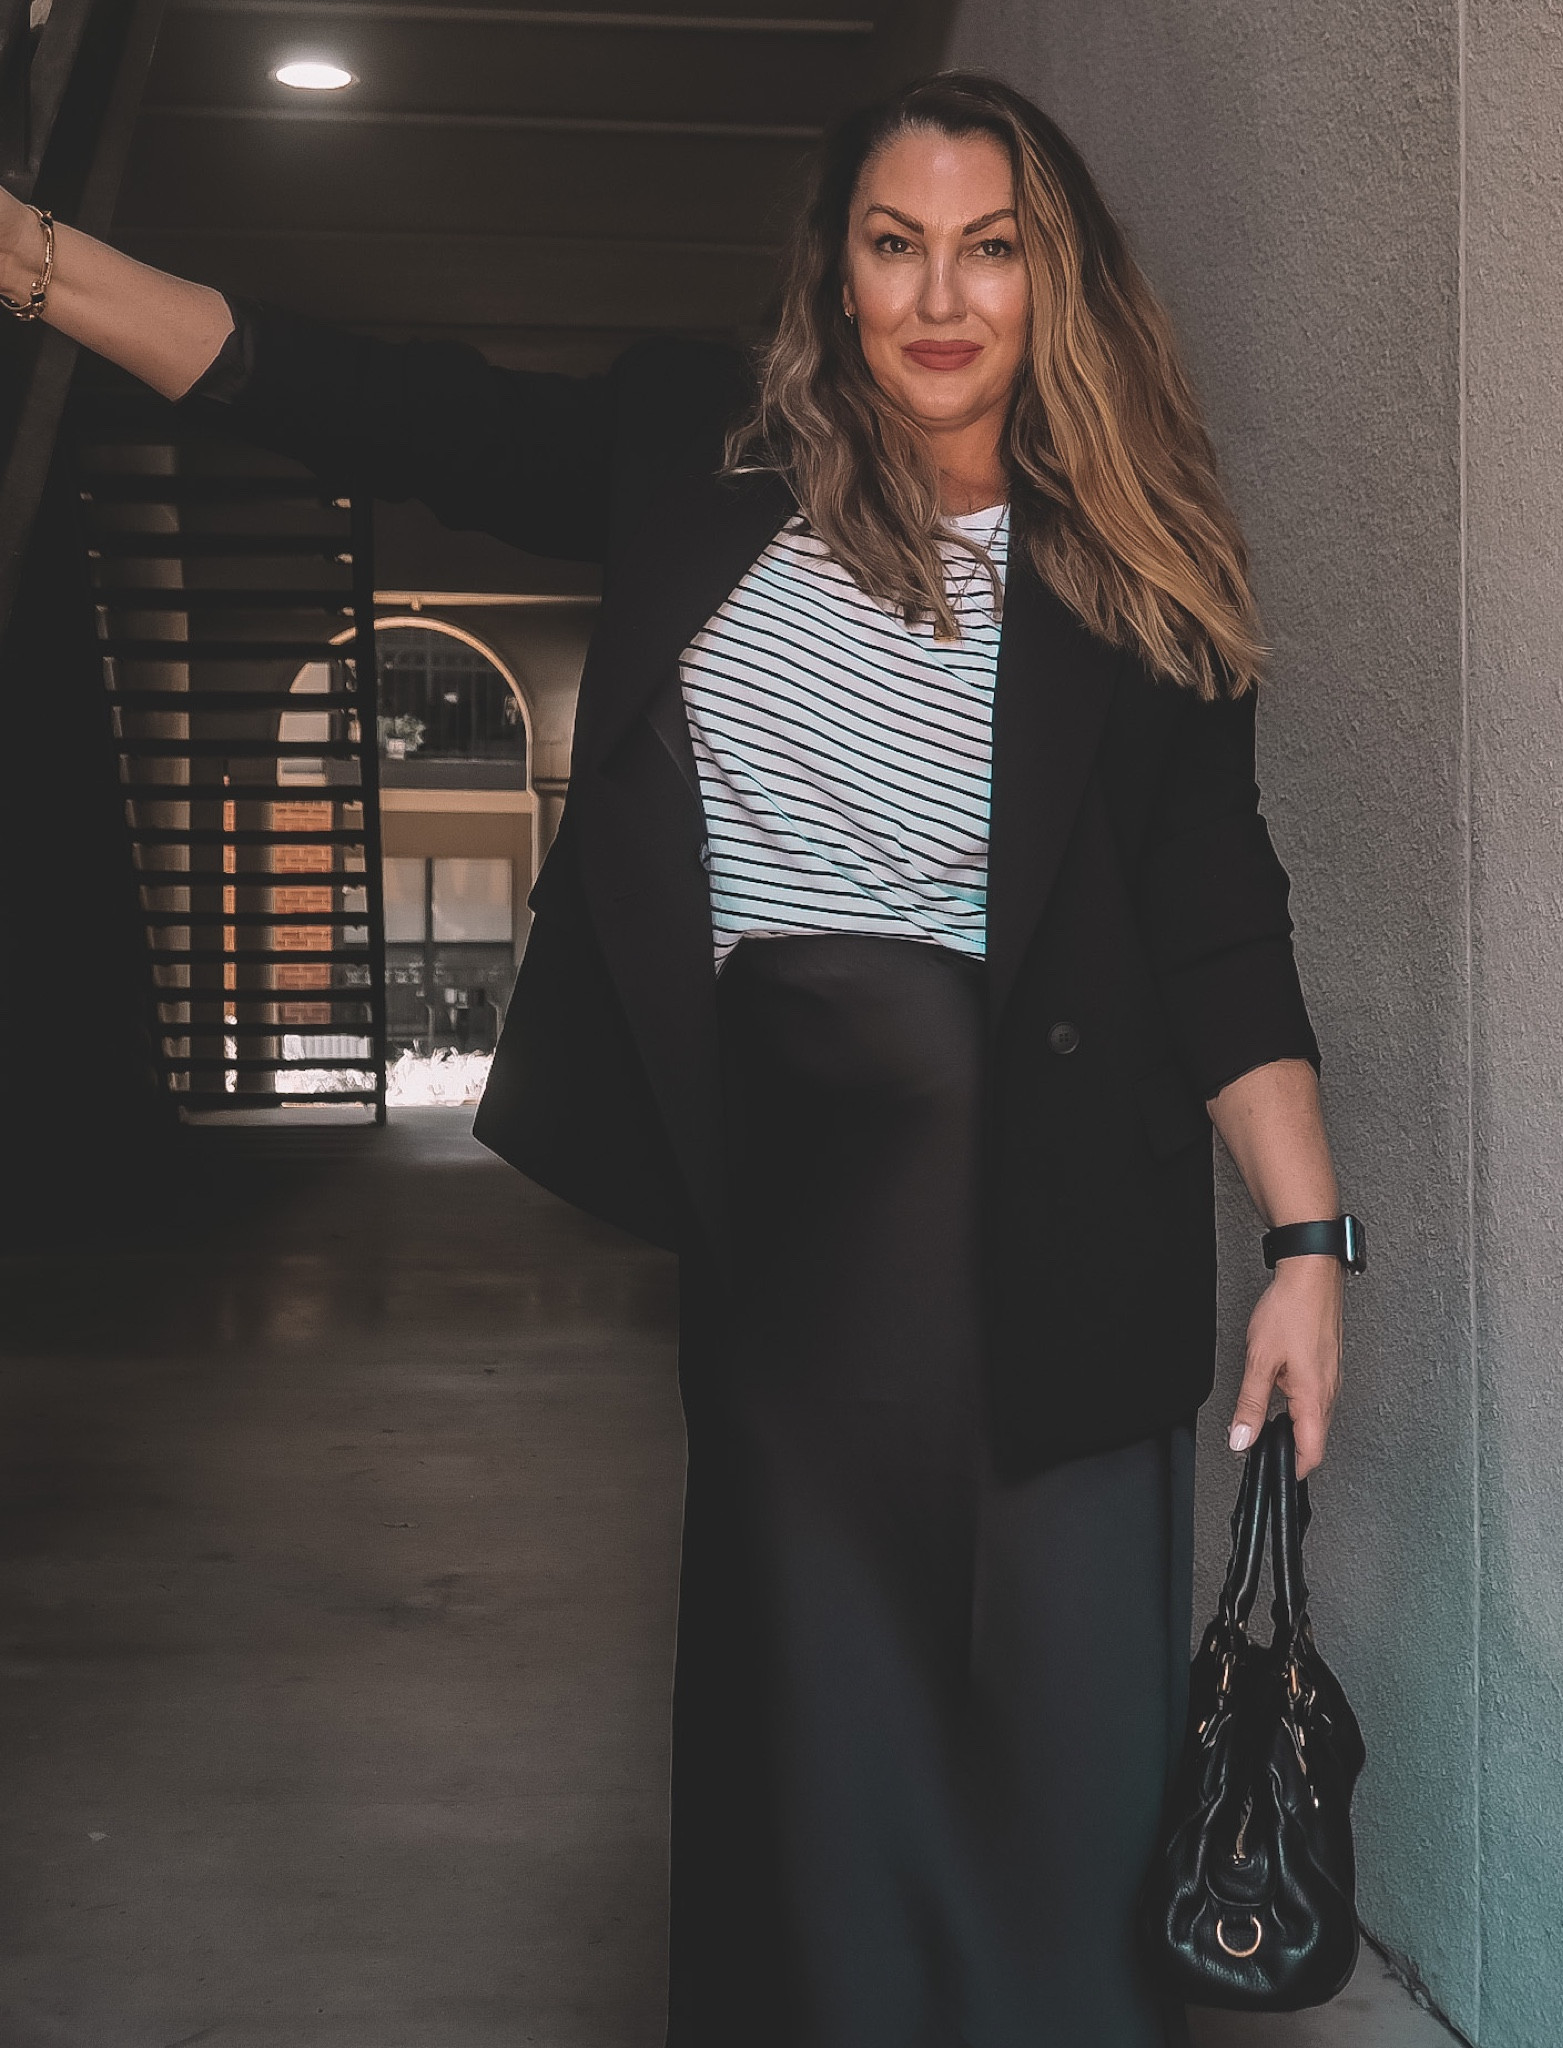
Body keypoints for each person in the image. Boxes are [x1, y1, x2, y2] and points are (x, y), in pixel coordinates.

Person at [0, 71, 1352, 2048]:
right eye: (894, 245)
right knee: (819, 1735)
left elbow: (1218, 924)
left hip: (1060, 1231)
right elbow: (372, 401)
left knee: (1054, 1760)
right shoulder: (694, 458)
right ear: (834, 271)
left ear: (1053, 280)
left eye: (989, 249)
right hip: (798, 1247)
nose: (940, 297)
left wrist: (1309, 1242)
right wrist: (37, 263)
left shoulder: (1126, 580)